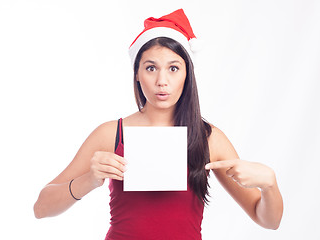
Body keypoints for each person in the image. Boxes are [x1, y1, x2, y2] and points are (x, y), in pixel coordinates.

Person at [34, 9, 283, 239]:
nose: (162, 81)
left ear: (187, 75)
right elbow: (41, 208)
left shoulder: (208, 138)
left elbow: (269, 221)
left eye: (173, 68)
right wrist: (89, 179)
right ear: (137, 73)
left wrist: (269, 184)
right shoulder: (111, 134)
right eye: (151, 68)